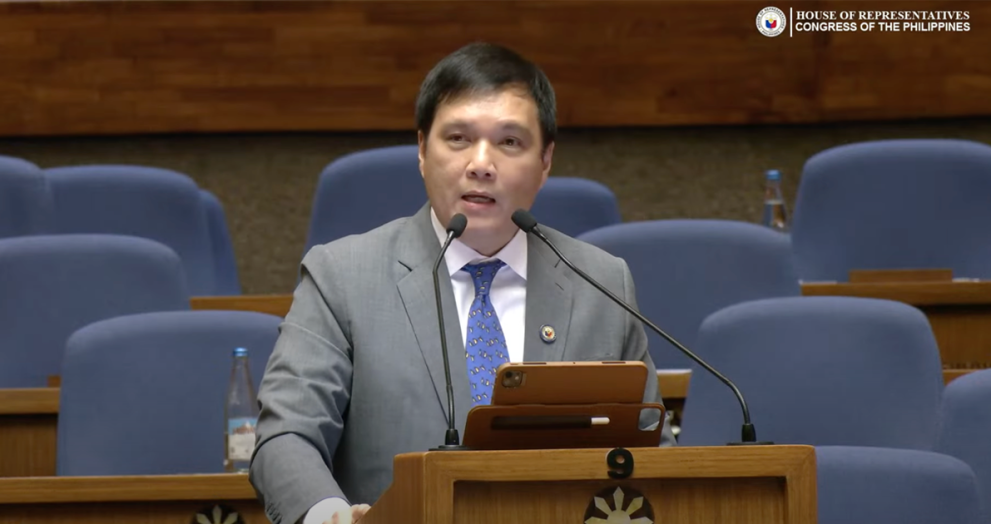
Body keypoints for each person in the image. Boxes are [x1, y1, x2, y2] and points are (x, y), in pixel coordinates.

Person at [249, 41, 676, 524]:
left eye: (509, 142)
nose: (481, 163)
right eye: (457, 138)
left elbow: (653, 454)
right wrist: (333, 517)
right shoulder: (342, 277)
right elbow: (286, 435)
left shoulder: (600, 284)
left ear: (545, 162)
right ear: (421, 151)